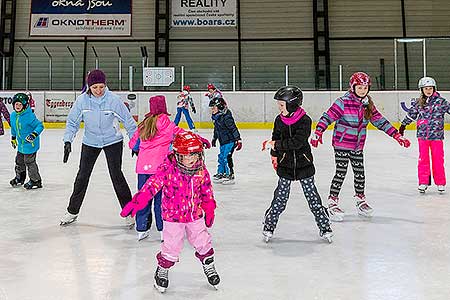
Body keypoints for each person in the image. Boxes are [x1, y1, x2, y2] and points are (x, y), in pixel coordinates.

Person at [121, 132, 220, 293]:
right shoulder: (167, 169)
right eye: (189, 156)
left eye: (196, 154)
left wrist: (209, 207)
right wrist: (139, 200)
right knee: (172, 245)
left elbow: (207, 190)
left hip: (195, 214)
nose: (193, 159)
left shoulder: (201, 170)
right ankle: (163, 269)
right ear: (178, 155)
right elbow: (152, 185)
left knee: (202, 241)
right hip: (173, 217)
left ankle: (209, 266)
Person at [310, 72, 411, 222]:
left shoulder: (367, 104)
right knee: (341, 172)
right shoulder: (343, 102)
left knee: (360, 174)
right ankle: (332, 201)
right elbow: (328, 116)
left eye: (365, 87)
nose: (363, 90)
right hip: (342, 144)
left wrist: (396, 135)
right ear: (353, 87)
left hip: (357, 145)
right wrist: (318, 131)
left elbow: (380, 121)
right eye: (360, 87)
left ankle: (360, 199)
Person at [60, 69, 137, 226]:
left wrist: (136, 142)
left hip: (112, 141)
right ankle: (72, 211)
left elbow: (129, 122)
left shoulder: (113, 100)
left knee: (116, 175)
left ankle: (129, 211)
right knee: (82, 176)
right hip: (91, 141)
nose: (98, 91)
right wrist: (68, 140)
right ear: (89, 87)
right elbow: (72, 122)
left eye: (101, 86)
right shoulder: (82, 101)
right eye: (95, 87)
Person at [129, 95, 210, 241]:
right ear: (164, 108)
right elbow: (184, 134)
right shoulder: (168, 124)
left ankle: (142, 228)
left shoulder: (143, 125)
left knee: (144, 197)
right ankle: (162, 230)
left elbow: (132, 145)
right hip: (161, 170)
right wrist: (200, 140)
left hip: (143, 169)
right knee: (161, 200)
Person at [261, 86, 333, 243]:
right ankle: (269, 225)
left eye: (281, 105)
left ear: (292, 104)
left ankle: (325, 226)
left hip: (304, 165)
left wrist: (275, 145)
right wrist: (274, 156)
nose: (279, 108)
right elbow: (276, 136)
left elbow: (297, 142)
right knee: (280, 199)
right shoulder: (279, 120)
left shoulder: (305, 121)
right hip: (285, 165)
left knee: (313, 199)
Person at [399, 76, 450, 193]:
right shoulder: (419, 102)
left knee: (438, 159)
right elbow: (411, 114)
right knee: (423, 159)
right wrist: (403, 125)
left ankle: (440, 182)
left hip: (437, 136)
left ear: (434, 89)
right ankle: (423, 182)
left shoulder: (441, 102)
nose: (428, 90)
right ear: (421, 90)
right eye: (425, 88)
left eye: (430, 88)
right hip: (422, 136)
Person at [9, 93, 44, 189]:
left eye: (20, 105)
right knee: (19, 161)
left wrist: (34, 134)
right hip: (21, 144)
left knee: (29, 162)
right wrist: (13, 138)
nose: (18, 106)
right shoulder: (13, 115)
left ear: (25, 105)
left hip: (30, 144)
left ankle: (36, 180)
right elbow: (13, 127)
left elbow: (40, 126)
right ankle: (20, 177)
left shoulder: (29, 116)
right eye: (16, 104)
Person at [209, 97, 242, 184]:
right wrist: (214, 138)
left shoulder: (226, 117)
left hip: (230, 141)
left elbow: (233, 128)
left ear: (220, 107)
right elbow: (216, 129)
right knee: (221, 157)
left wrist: (238, 139)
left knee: (226, 157)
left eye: (213, 108)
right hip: (223, 141)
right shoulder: (216, 117)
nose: (212, 110)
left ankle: (230, 174)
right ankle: (222, 172)